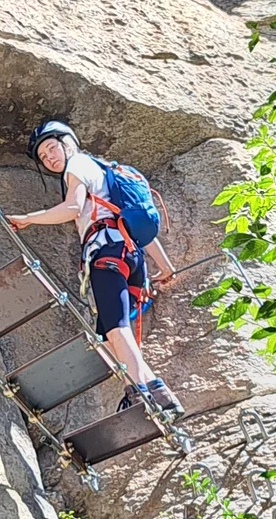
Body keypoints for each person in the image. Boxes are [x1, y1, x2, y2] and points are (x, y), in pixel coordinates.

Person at [11, 119, 181, 414]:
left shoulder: (77, 165)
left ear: (69, 143)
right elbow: (140, 227)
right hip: (131, 257)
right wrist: (166, 268)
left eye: (52, 148)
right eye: (43, 157)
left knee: (115, 329)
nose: (50, 158)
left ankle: (145, 392)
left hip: (106, 253)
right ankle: (150, 390)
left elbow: (73, 208)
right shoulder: (108, 172)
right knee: (110, 334)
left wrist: (29, 218)